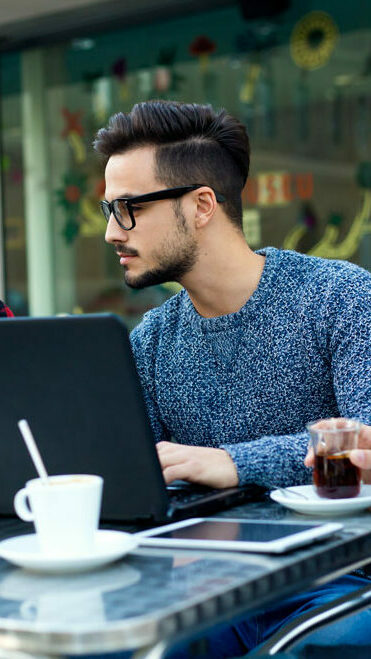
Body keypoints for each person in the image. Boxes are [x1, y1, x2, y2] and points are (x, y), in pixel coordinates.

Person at [94, 101, 371, 656]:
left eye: (128, 209)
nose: (109, 233)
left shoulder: (341, 297)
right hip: (205, 584)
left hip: (341, 583)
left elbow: (365, 440)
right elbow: (135, 484)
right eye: (108, 209)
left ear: (201, 205)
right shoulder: (150, 339)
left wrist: (235, 461)